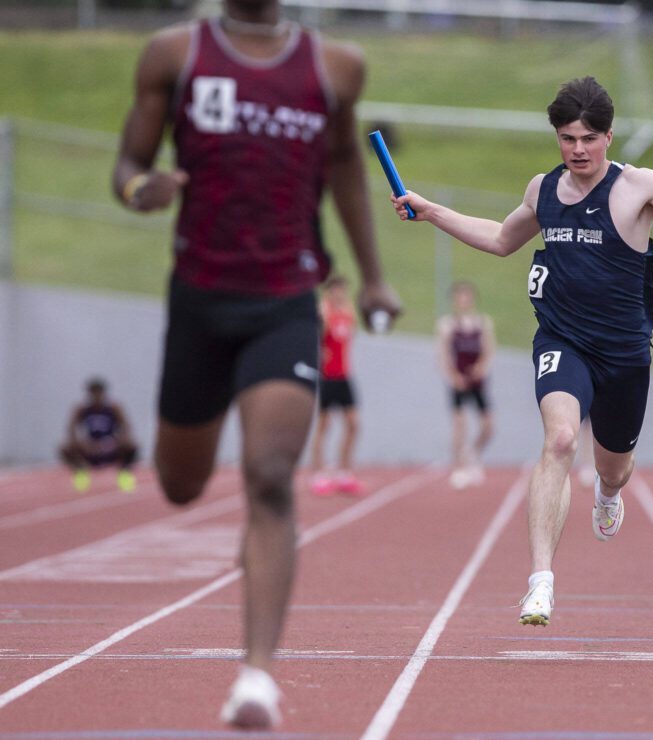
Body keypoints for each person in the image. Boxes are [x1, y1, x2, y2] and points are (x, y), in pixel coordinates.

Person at [111, 0, 401, 729]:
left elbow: (344, 171)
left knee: (270, 475)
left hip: (284, 299)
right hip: (201, 301)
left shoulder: (334, 67)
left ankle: (256, 680)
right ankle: (255, 672)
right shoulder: (173, 56)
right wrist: (137, 191)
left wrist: (371, 275)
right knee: (180, 484)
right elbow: (129, 163)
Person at [390, 76, 653, 626]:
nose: (578, 150)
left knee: (614, 467)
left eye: (590, 138)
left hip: (624, 354)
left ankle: (606, 492)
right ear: (557, 136)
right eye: (568, 138)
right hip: (562, 341)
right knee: (559, 439)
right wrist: (432, 211)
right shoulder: (542, 190)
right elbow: (502, 239)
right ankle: (540, 584)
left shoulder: (638, 187)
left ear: (609, 137)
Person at [436, 280, 495, 489]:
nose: (463, 300)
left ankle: (473, 456)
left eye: (467, 296)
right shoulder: (447, 325)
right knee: (459, 425)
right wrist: (453, 377)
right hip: (458, 381)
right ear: (454, 300)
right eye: (459, 296)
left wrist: (480, 368)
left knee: (488, 426)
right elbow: (442, 355)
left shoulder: (483, 323)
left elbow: (489, 351)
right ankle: (459, 467)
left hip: (478, 381)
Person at [309, 274, 364, 495]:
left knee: (353, 424)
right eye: (335, 289)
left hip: (344, 375)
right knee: (324, 425)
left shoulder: (347, 314)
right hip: (327, 376)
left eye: (342, 289)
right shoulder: (325, 312)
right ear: (329, 291)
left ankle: (344, 472)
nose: (339, 293)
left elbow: (352, 335)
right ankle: (319, 474)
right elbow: (317, 337)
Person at [58, 377, 138, 493]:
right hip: (90, 446)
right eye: (93, 393)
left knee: (131, 445)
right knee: (64, 448)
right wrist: (79, 442)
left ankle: (124, 474)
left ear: (104, 393)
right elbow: (71, 428)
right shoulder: (82, 409)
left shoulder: (113, 408)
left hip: (110, 444)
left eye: (98, 392)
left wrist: (117, 441)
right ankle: (81, 473)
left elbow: (125, 427)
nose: (96, 396)